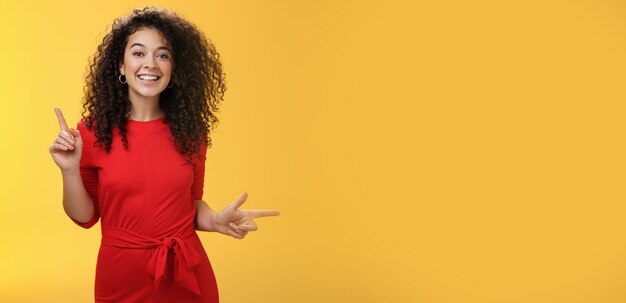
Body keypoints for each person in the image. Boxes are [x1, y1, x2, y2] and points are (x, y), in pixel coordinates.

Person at [48, 6, 279, 303]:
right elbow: (84, 216)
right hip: (120, 278)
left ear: (173, 67)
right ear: (120, 65)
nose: (151, 64)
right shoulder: (93, 132)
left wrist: (216, 220)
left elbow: (191, 205)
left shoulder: (191, 132)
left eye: (163, 55)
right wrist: (68, 169)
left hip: (187, 275)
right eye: (139, 53)